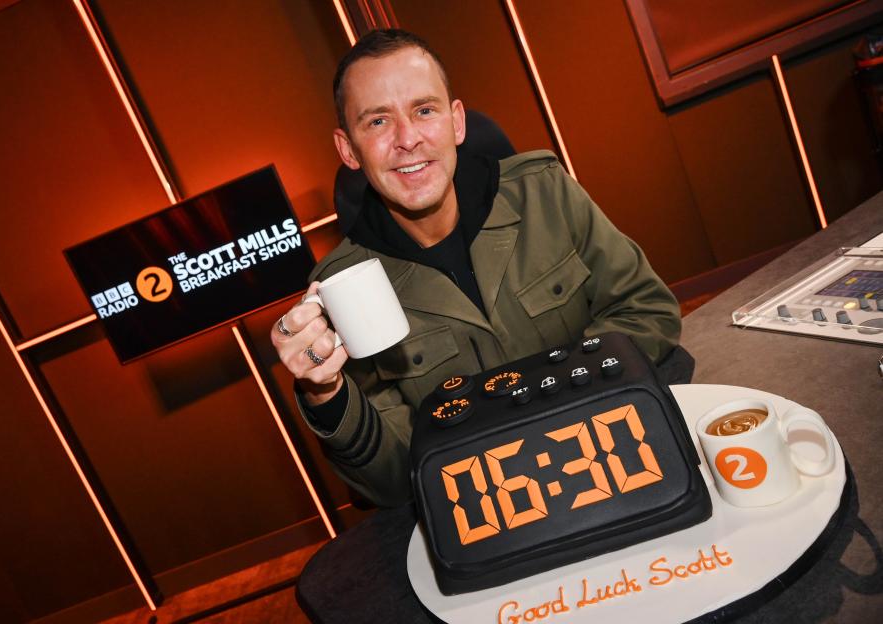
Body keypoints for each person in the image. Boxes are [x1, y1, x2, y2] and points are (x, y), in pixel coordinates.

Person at [271, 29, 683, 507]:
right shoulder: (338, 290)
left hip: (621, 455)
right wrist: (325, 393)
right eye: (378, 122)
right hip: (487, 509)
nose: (408, 139)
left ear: (456, 122)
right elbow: (394, 476)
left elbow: (648, 310)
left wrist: (553, 416)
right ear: (348, 150)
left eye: (424, 110)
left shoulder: (544, 191)